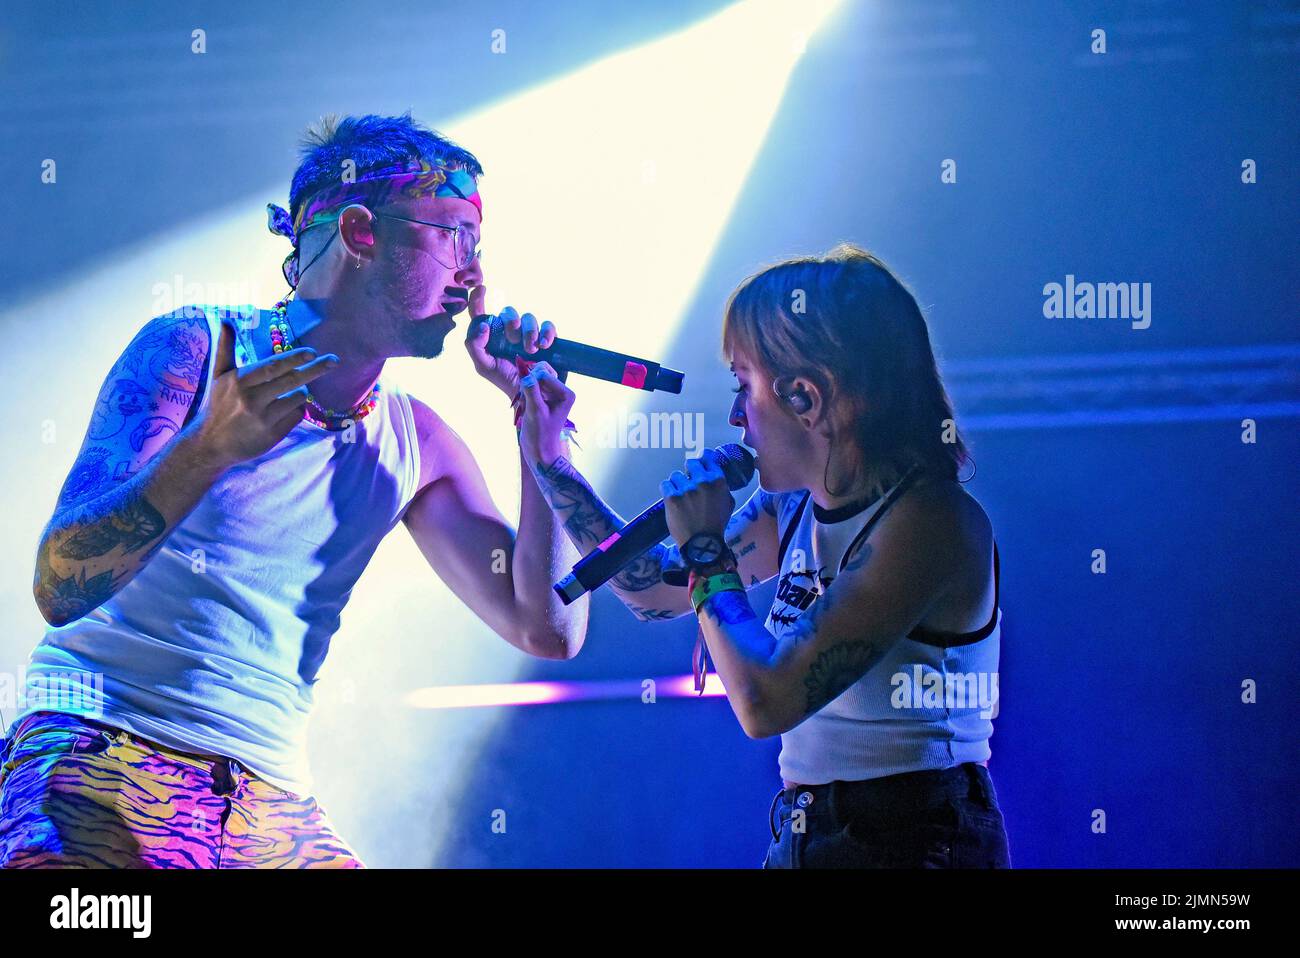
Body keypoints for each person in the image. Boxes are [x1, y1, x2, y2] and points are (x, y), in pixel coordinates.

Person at [1, 113, 587, 868]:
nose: (474, 277)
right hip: (101, 755)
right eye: (454, 237)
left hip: (266, 801)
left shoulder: (419, 441)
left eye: (479, 245)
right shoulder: (199, 350)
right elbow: (58, 585)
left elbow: (549, 629)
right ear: (360, 231)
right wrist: (209, 449)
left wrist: (541, 444)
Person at [516, 244, 1011, 868]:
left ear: (807, 397)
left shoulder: (930, 523)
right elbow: (654, 593)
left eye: (743, 387)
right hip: (812, 832)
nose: (733, 416)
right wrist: (549, 460)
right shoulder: (794, 507)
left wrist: (706, 546)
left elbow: (766, 701)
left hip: (914, 838)